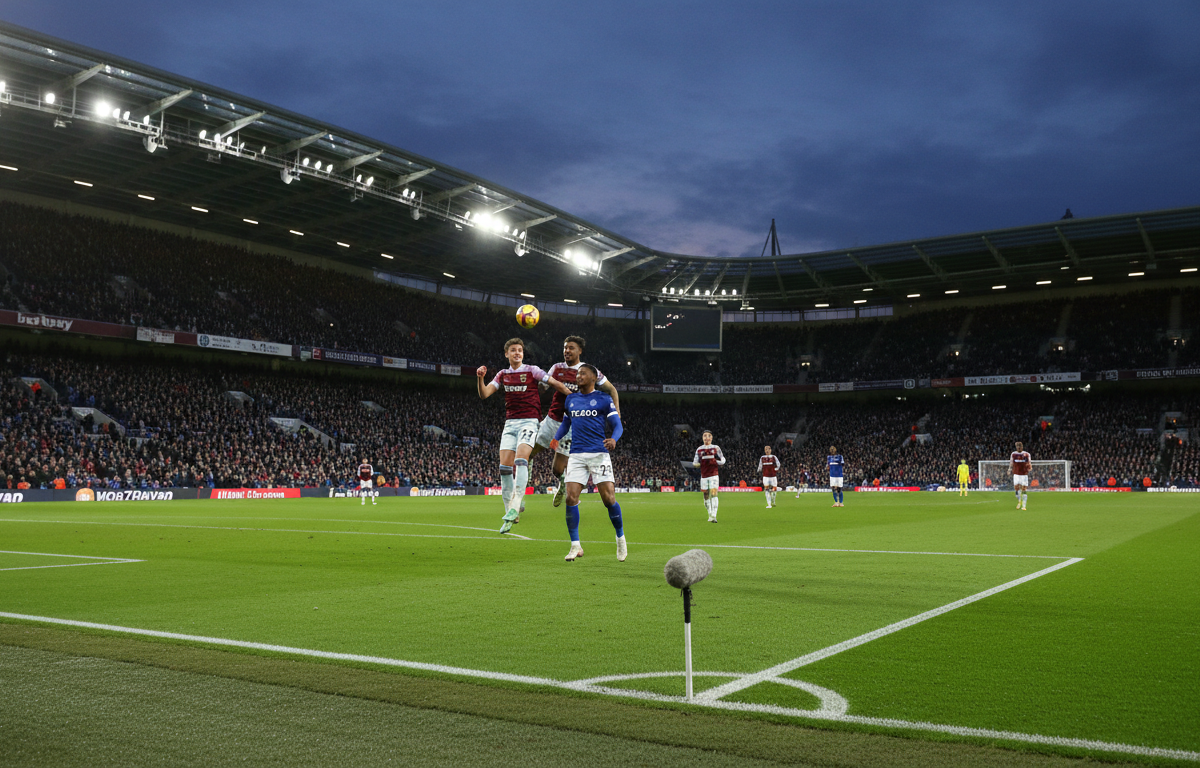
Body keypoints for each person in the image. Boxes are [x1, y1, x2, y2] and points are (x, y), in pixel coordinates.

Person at [477, 337, 570, 533]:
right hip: (510, 424)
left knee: (521, 460)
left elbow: (555, 383)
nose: (517, 353)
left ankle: (516, 504)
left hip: (529, 421)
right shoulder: (502, 375)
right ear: (507, 354)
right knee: (504, 468)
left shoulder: (532, 370)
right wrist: (480, 378)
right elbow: (484, 394)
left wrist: (574, 397)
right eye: (513, 350)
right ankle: (511, 512)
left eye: (520, 350)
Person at [530, 335, 620, 509]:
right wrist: (536, 381)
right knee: (528, 452)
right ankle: (518, 499)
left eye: (571, 347)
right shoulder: (557, 368)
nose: (567, 351)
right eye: (565, 347)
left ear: (580, 351)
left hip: (572, 425)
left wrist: (617, 412)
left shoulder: (589, 371)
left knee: (557, 469)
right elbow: (543, 388)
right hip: (552, 419)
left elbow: (612, 389)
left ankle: (563, 483)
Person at [550, 364, 625, 562]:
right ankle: (575, 545)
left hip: (599, 454)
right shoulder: (571, 399)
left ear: (593, 378)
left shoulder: (603, 399)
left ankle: (620, 538)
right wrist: (556, 438)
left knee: (608, 499)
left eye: (583, 373)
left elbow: (617, 425)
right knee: (570, 498)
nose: (578, 376)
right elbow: (566, 423)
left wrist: (614, 439)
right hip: (576, 455)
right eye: (577, 373)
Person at [693, 431, 726, 522]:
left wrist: (716, 462)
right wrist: (700, 463)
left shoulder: (716, 448)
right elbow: (695, 462)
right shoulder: (699, 449)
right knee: (706, 495)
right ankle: (710, 514)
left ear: (711, 438)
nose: (706, 437)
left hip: (714, 475)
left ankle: (714, 516)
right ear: (702, 438)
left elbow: (723, 459)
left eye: (709, 436)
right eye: (704, 436)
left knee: (714, 493)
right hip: (704, 476)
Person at [1011, 441, 1032, 510]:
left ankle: (1024, 505)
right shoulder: (1013, 454)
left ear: (1022, 447)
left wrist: (1030, 467)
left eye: (1020, 447)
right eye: (1018, 447)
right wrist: (1009, 469)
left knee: (1024, 489)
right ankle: (1019, 502)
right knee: (1016, 489)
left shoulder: (1026, 454)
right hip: (1016, 474)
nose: (1019, 448)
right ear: (1016, 447)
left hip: (1024, 474)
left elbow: (1029, 463)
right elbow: (1011, 463)